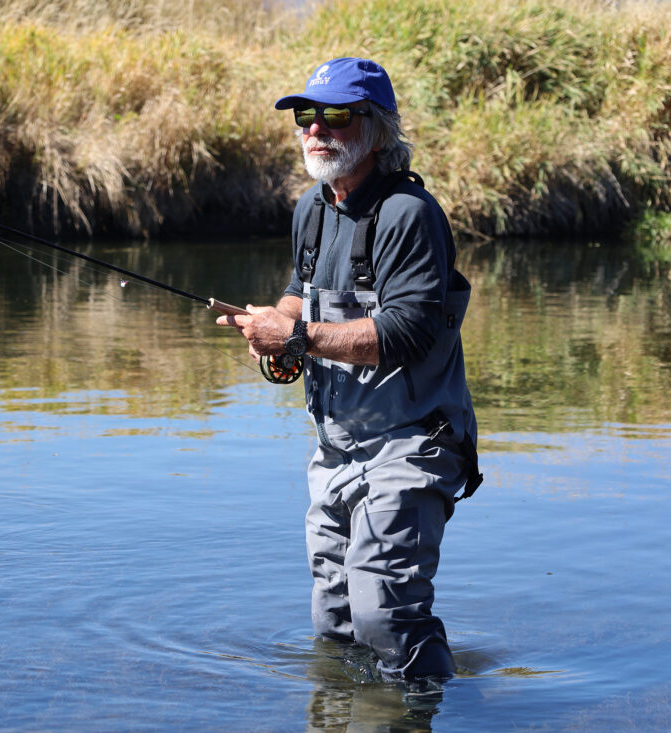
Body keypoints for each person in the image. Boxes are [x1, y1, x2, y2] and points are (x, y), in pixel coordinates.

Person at [217, 57, 481, 682]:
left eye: (336, 116)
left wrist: (297, 336)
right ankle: (342, 714)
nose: (316, 129)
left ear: (378, 130)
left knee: (387, 616)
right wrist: (273, 329)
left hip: (413, 444)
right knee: (334, 622)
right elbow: (299, 292)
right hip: (335, 448)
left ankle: (428, 711)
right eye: (306, 116)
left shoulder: (409, 215)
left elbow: (408, 332)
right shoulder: (312, 208)